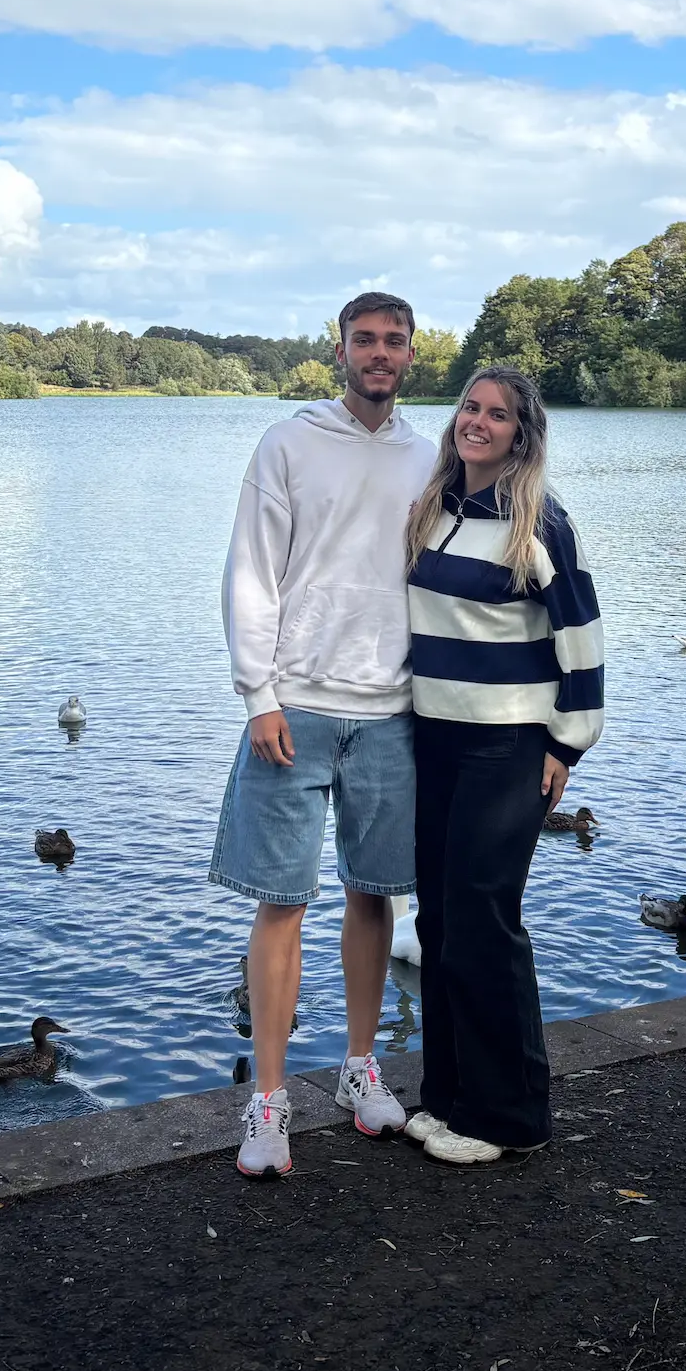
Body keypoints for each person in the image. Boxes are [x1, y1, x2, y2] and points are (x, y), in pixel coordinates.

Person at [214, 292, 431, 1178]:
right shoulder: (288, 444)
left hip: (390, 709)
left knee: (374, 895)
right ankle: (268, 1099)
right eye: (364, 339)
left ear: (411, 354)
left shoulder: (428, 457)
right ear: (339, 350)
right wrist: (257, 694)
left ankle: (358, 1066)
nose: (379, 353)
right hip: (294, 706)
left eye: (394, 341)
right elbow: (251, 570)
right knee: (282, 902)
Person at [401, 363, 602, 1165]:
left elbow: (581, 638)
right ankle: (449, 1097)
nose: (477, 422)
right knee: (440, 922)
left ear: (522, 434)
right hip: (433, 740)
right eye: (469, 407)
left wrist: (566, 743)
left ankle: (512, 1117)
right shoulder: (435, 507)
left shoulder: (540, 521)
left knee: (485, 921)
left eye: (497, 414)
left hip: (508, 746)